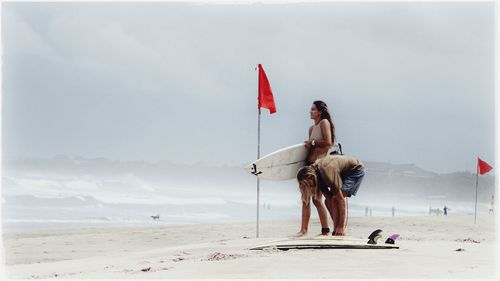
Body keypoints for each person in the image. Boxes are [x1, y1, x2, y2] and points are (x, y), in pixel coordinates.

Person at [295, 101, 336, 237]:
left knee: (316, 199)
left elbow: (328, 143)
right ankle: (304, 230)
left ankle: (325, 230)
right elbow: (310, 147)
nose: (310, 111)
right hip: (308, 165)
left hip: (318, 166)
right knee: (305, 198)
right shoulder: (311, 129)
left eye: (313, 109)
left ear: (320, 111)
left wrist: (311, 142)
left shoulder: (324, 122)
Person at [296, 154, 365, 236]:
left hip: (355, 170)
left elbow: (341, 200)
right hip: (341, 171)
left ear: (311, 177)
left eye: (309, 185)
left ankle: (341, 228)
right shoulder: (316, 175)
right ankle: (336, 229)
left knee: (337, 198)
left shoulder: (326, 172)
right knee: (328, 201)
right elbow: (329, 199)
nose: (310, 187)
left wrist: (340, 226)